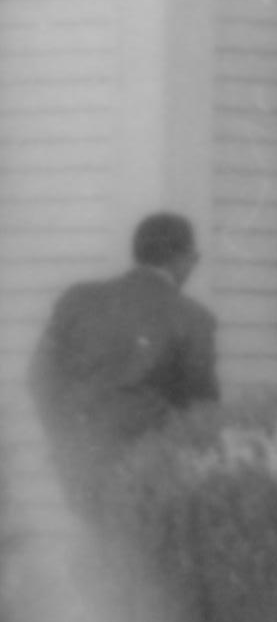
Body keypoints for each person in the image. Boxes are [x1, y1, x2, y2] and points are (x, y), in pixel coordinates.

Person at [29, 214, 220, 519]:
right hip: (149, 468)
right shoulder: (193, 319)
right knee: (138, 558)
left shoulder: (78, 300)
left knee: (91, 551)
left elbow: (40, 377)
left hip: (80, 461)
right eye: (193, 257)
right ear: (179, 258)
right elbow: (202, 409)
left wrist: (64, 437)